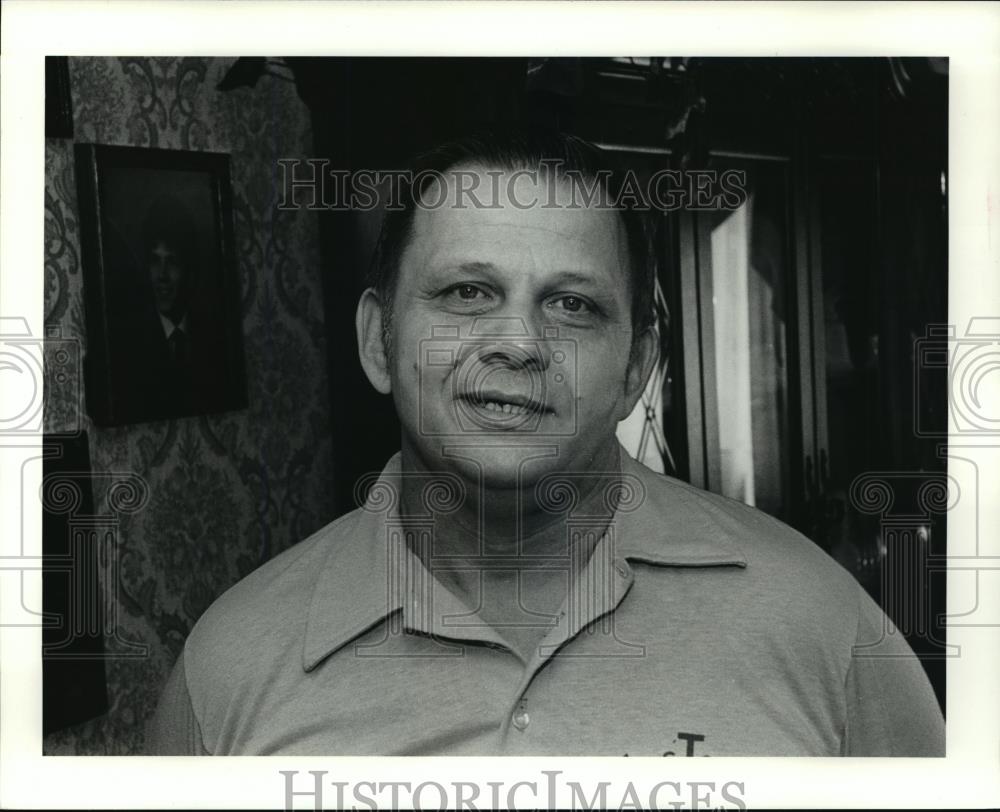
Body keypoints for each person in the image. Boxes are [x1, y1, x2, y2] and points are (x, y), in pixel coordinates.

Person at [147, 130, 944, 756]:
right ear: (378, 341)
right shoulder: (230, 669)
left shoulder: (822, 623)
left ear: (637, 365)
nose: (518, 343)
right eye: (466, 292)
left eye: (571, 306)